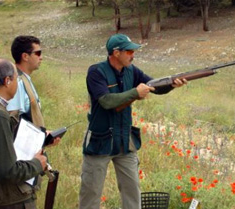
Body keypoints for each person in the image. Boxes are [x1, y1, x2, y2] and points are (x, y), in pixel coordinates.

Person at [79, 34, 187, 209]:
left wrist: (171, 85)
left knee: (132, 194)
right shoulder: (96, 72)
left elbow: (153, 86)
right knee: (91, 194)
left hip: (124, 141)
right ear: (116, 53)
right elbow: (106, 101)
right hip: (100, 142)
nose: (133, 54)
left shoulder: (132, 70)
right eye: (129, 51)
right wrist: (135, 93)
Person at [0, 58, 47, 209]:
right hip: (8, 200)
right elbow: (7, 171)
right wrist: (38, 164)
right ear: (7, 81)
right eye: (17, 79)